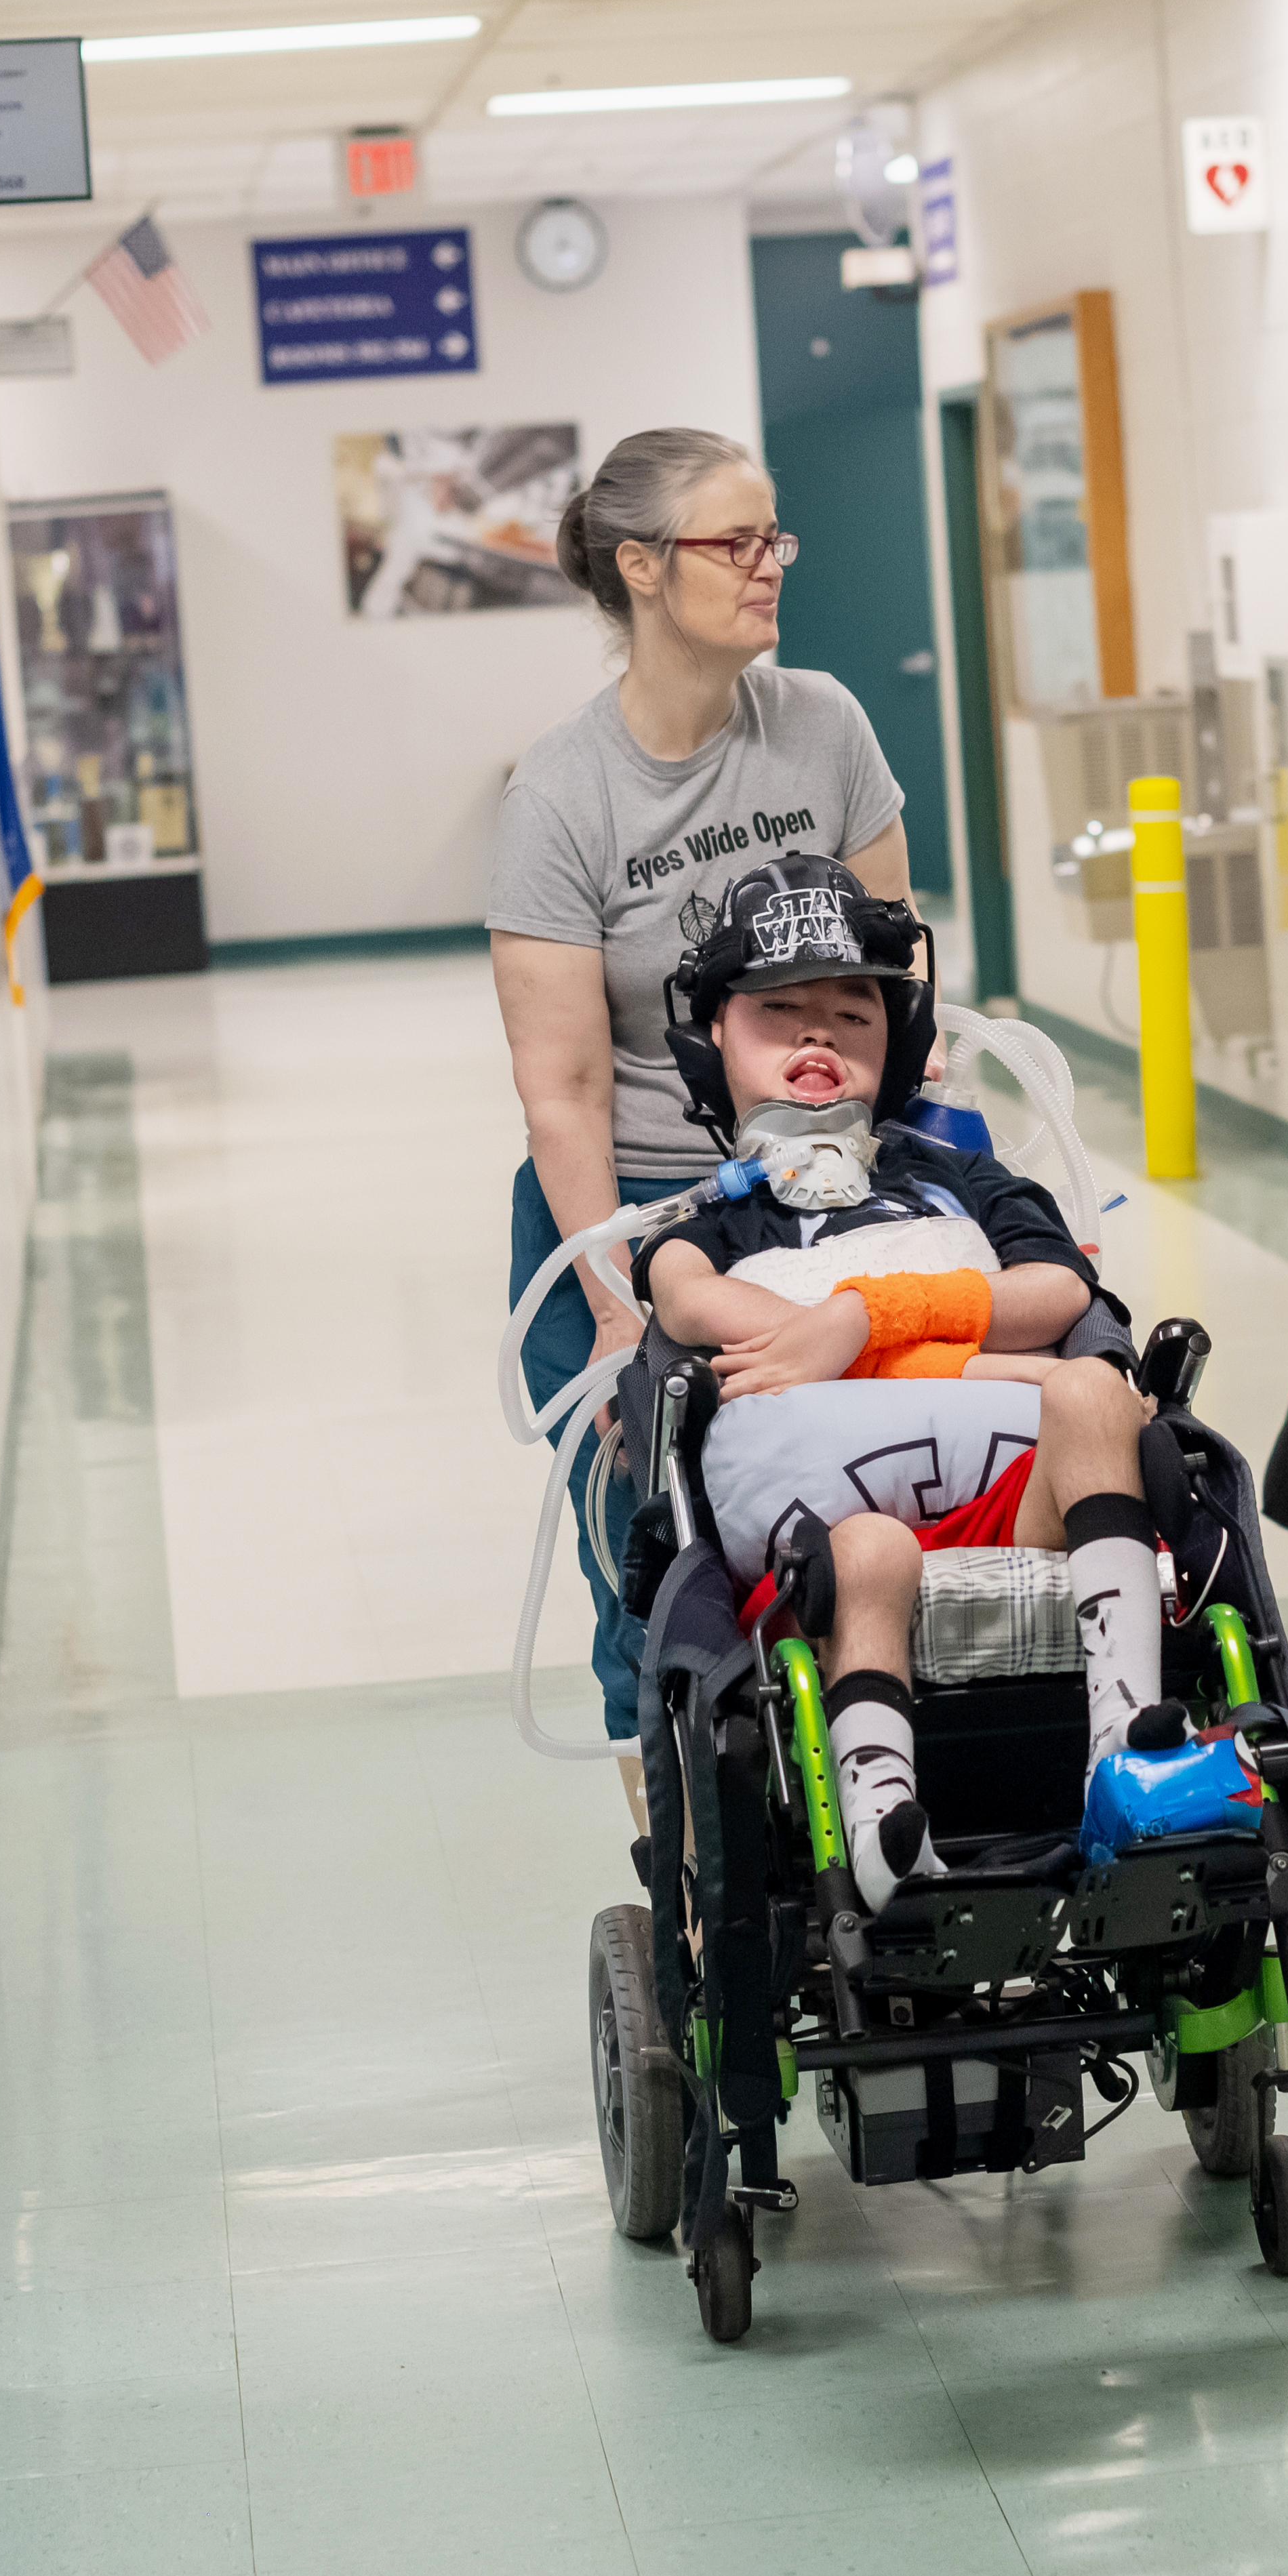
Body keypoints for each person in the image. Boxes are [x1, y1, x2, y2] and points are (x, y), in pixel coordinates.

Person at [488, 429, 909, 1746]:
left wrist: (942, 1197)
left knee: (867, 1535)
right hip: (645, 1212)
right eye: (738, 544)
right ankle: (689, 1919)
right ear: (644, 569)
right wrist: (618, 1316)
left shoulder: (824, 723)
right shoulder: (563, 797)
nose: (769, 566)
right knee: (666, 1602)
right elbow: (560, 1091)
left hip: (829, 1195)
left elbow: (900, 989)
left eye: (773, 537)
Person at [639, 859, 1159, 1909]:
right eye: (778, 1015)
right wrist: (971, 1359)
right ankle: (881, 1829)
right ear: (714, 1047)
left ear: (901, 1047)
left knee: (1098, 1396)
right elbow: (693, 1309)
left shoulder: (958, 1179)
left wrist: (866, 1320)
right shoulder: (705, 1227)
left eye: (850, 1017)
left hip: (1018, 1504)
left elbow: (1058, 1291)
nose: (817, 1039)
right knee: (872, 1553)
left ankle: (1127, 1756)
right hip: (828, 1540)